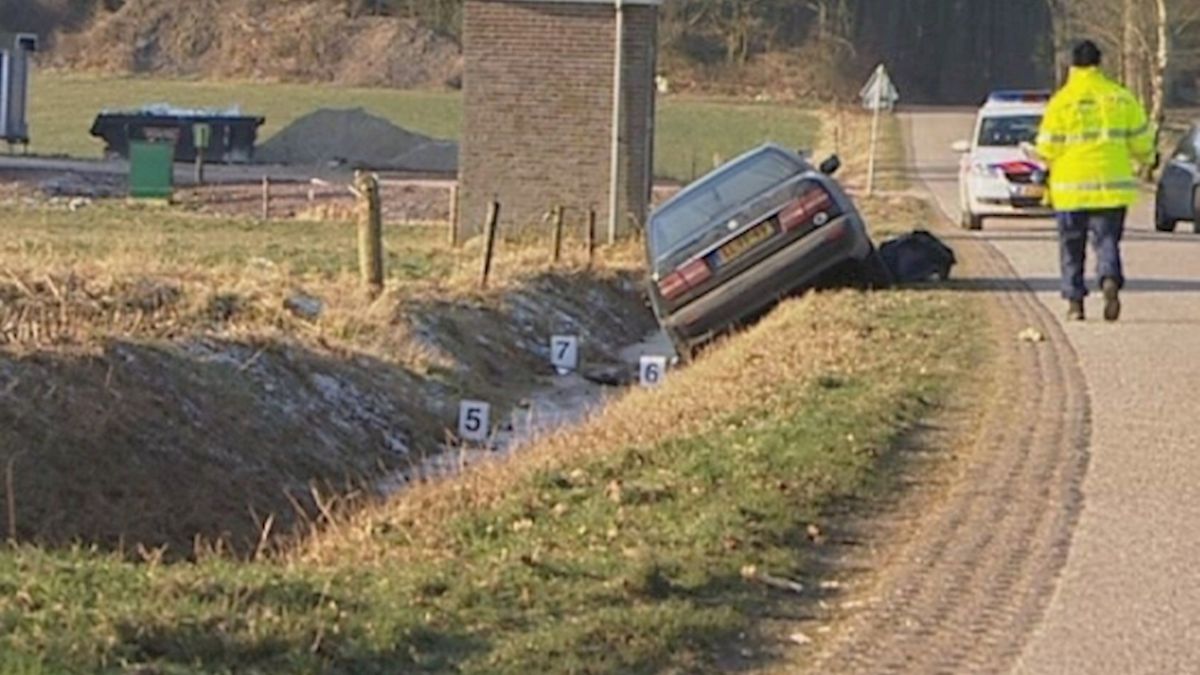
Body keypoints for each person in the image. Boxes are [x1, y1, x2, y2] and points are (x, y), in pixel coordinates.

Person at [1033, 39, 1156, 322]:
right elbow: (1141, 143)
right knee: (1107, 240)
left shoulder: (1062, 101)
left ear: (1072, 65)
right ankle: (1109, 278)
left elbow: (1048, 147)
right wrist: (1149, 158)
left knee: (1071, 247)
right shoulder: (1121, 98)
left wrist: (1041, 159)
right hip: (1112, 188)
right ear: (1100, 64)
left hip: (1070, 190)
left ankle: (1075, 302)